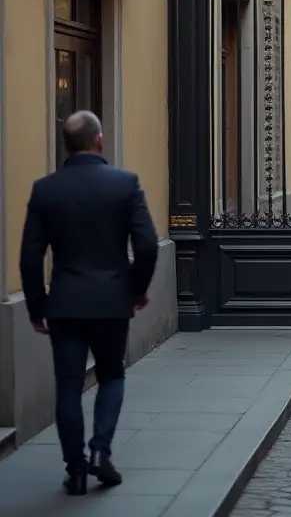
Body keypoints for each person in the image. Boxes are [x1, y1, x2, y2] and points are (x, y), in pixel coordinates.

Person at [19, 111, 159, 495]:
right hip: (112, 302)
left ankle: (76, 470)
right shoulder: (125, 183)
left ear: (66, 145)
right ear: (99, 141)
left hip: (65, 303)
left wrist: (36, 308)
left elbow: (30, 258)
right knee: (111, 375)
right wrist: (136, 288)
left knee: (67, 385)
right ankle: (100, 450)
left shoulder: (45, 189)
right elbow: (147, 244)